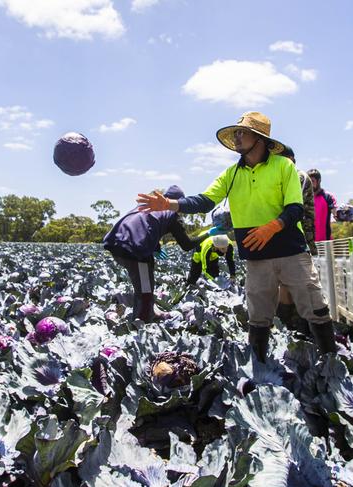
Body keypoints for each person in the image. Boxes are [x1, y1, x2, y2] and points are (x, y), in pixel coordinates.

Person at [137, 112, 336, 362]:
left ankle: (331, 365)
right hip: (256, 258)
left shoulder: (284, 167)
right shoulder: (231, 174)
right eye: (236, 133)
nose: (238, 137)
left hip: (291, 253)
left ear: (261, 138)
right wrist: (169, 203)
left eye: (243, 133)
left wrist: (271, 227)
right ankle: (258, 367)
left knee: (315, 306)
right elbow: (204, 201)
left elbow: (295, 208)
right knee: (259, 315)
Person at [103, 185, 218, 322]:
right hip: (134, 249)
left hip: (115, 242)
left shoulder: (150, 205)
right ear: (178, 202)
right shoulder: (171, 214)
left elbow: (146, 225)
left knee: (147, 276)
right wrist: (208, 234)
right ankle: (141, 324)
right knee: (145, 290)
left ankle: (151, 311)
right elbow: (187, 245)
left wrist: (156, 247)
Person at [276, 146, 316, 334]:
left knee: (301, 285)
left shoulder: (298, 176)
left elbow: (291, 208)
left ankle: (303, 324)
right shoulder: (286, 176)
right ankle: (287, 323)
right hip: (287, 242)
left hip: (299, 240)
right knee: (285, 284)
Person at [307, 168, 337, 241]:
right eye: (308, 182)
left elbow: (336, 213)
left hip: (326, 242)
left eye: (312, 181)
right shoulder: (304, 198)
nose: (310, 184)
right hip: (309, 243)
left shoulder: (328, 197)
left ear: (319, 181)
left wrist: (341, 214)